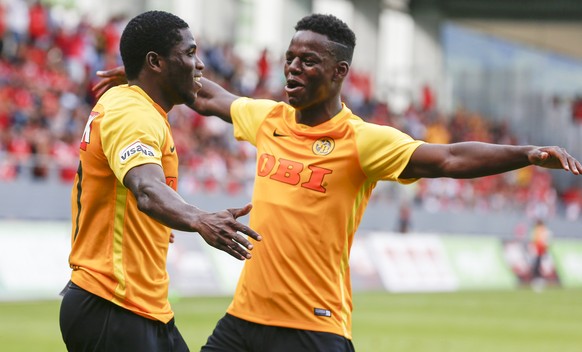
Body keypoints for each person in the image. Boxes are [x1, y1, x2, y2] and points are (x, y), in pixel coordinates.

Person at [93, 13, 581, 352]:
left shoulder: (363, 140)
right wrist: (145, 75)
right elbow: (208, 97)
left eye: (308, 61)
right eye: (290, 57)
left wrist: (526, 154)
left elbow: (449, 158)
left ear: (339, 72)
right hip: (243, 322)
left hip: (314, 326)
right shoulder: (269, 118)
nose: (292, 68)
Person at [59, 10, 262, 352]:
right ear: (155, 62)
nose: (199, 65)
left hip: (141, 307)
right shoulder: (132, 114)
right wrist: (199, 219)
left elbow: (205, 97)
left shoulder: (141, 106)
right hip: (112, 303)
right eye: (189, 53)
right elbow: (147, 189)